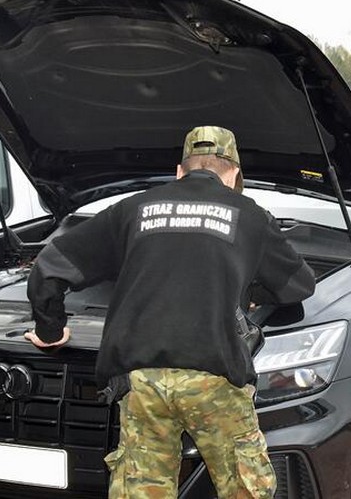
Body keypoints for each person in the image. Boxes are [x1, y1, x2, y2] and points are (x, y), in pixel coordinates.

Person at [24, 126, 316, 498]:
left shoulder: (134, 209)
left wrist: (50, 330)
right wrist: (246, 288)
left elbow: (50, 265)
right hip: (214, 380)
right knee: (245, 489)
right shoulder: (250, 216)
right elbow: (298, 285)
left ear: (179, 171)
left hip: (140, 381)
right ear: (233, 175)